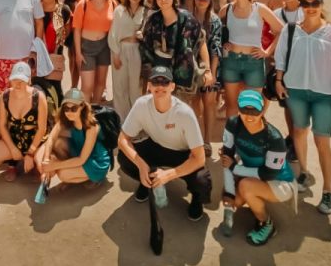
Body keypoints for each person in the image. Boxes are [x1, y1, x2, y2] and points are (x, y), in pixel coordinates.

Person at [117, 66, 211, 255]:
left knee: (202, 180)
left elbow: (199, 158)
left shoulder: (184, 113)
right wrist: (142, 166)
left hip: (183, 153)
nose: (160, 86)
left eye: (164, 82)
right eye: (155, 82)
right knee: (124, 158)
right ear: (148, 86)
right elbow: (122, 140)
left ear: (172, 86)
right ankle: (147, 180)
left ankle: (196, 200)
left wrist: (169, 175)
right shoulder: (142, 105)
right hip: (156, 146)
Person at [273, 0, 331, 215]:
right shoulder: (291, 29)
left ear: (321, 4)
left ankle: (327, 190)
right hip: (295, 90)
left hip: (323, 93)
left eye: (314, 3)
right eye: (305, 3)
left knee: (322, 141)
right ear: (300, 6)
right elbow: (280, 57)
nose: (310, 7)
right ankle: (304, 172)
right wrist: (278, 80)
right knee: (298, 132)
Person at [220, 89, 295, 244]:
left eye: (254, 110)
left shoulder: (275, 138)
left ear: (262, 111)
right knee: (232, 202)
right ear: (238, 109)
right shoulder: (233, 123)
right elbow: (226, 159)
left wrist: (236, 169)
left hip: (280, 181)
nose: (249, 116)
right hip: (253, 174)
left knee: (246, 187)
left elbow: (268, 174)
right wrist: (228, 191)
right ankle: (253, 198)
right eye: (244, 110)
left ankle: (267, 223)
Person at [219, 0, 284, 118]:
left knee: (252, 106)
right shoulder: (226, 9)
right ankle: (231, 138)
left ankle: (248, 139)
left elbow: (281, 30)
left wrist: (267, 52)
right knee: (231, 105)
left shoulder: (260, 8)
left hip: (254, 62)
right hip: (231, 61)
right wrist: (223, 44)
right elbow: (216, 31)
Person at [140, 0, 214, 105]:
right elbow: (146, 48)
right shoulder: (153, 20)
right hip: (160, 74)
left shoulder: (187, 18)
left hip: (183, 75)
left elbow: (201, 42)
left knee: (181, 109)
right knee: (160, 108)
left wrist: (207, 70)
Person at [0, 62, 49, 181]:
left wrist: (31, 152)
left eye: (22, 80)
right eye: (15, 79)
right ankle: (13, 162)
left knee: (43, 169)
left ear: (29, 80)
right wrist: (12, 148)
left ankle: (34, 161)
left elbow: (42, 129)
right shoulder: (5, 95)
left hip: (35, 139)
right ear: (10, 79)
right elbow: (2, 125)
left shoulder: (38, 96)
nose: (18, 83)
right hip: (14, 138)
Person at [36, 88, 112, 198]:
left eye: (74, 108)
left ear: (82, 107)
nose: (69, 112)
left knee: (62, 174)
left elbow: (82, 159)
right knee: (58, 143)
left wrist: (53, 166)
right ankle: (74, 174)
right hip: (79, 151)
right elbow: (51, 139)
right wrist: (47, 160)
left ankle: (94, 178)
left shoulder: (92, 126)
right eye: (66, 108)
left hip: (95, 161)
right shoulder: (65, 119)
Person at [73, 0, 116, 105]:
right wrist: (78, 53)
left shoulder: (112, 4)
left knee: (101, 83)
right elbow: (77, 30)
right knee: (87, 86)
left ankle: (95, 111)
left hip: (104, 46)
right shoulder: (83, 4)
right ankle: (85, 114)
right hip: (87, 47)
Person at [191, 0, 224, 155]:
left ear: (210, 0)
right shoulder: (188, 18)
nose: (201, 1)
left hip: (210, 68)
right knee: (195, 104)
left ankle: (207, 140)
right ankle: (196, 139)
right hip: (191, 69)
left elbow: (216, 49)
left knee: (209, 104)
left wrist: (212, 72)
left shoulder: (215, 20)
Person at [108, 0, 146, 119]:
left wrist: (143, 35)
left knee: (135, 88)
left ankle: (135, 121)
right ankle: (121, 121)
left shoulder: (144, 11)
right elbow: (113, 34)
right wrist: (116, 55)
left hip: (137, 50)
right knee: (119, 87)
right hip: (120, 50)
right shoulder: (119, 10)